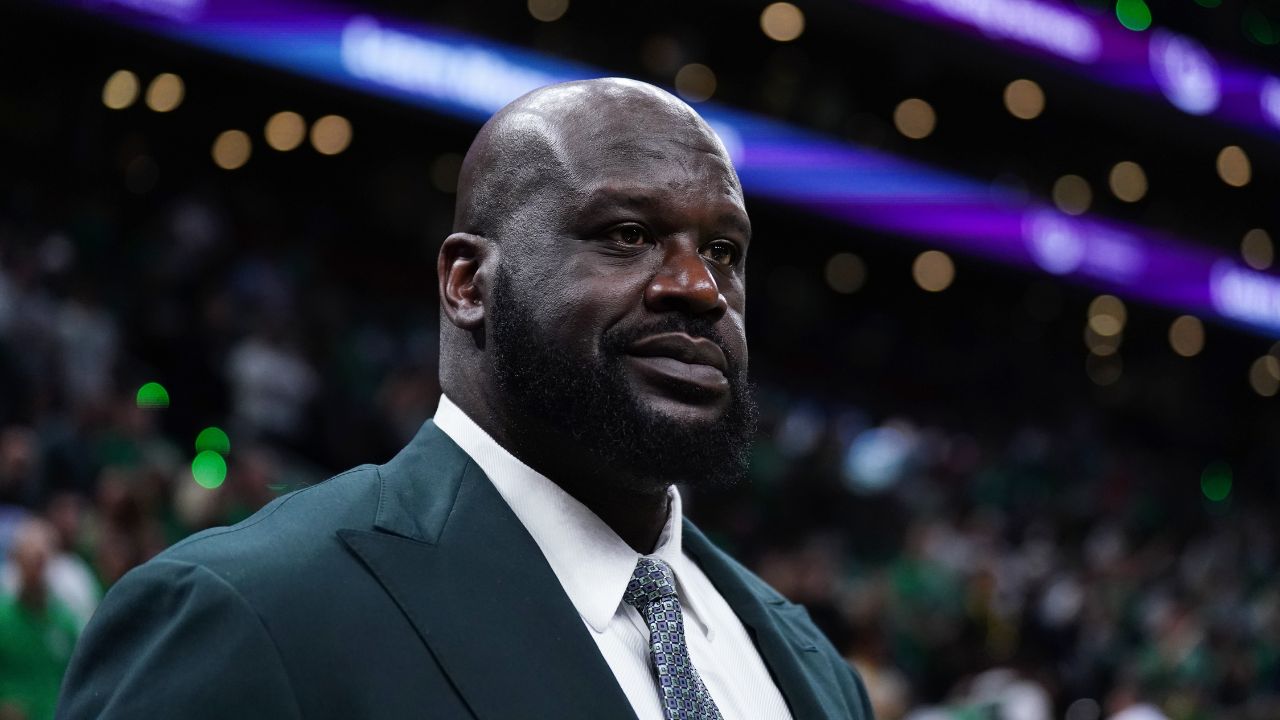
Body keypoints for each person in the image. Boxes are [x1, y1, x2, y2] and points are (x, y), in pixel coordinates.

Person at [56, 78, 874, 720]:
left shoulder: (810, 667)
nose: (699, 288)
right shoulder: (247, 614)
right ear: (467, 283)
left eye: (724, 251)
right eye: (626, 235)